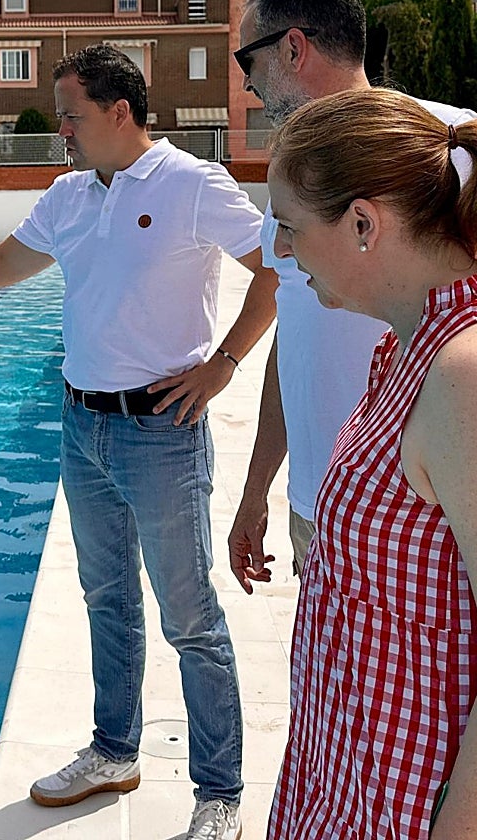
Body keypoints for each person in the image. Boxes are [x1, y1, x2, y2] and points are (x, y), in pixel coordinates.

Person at [0, 45, 279, 840]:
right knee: (106, 601)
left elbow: (274, 269)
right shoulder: (71, 195)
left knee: (189, 617)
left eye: (71, 113)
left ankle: (219, 793)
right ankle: (115, 750)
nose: (61, 129)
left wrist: (224, 366)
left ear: (119, 112)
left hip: (162, 433)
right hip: (83, 426)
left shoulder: (192, 183)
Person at [263, 86, 477, 840]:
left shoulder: (462, 374)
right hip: (349, 776)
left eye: (289, 226)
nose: (281, 251)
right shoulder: (406, 348)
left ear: (362, 224)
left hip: (407, 805)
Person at [227, 0, 477, 592]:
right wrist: (260, 485)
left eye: (248, 61)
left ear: (293, 48)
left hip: (426, 520)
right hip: (322, 504)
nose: (246, 83)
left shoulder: (445, 151)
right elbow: (295, 342)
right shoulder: (294, 181)